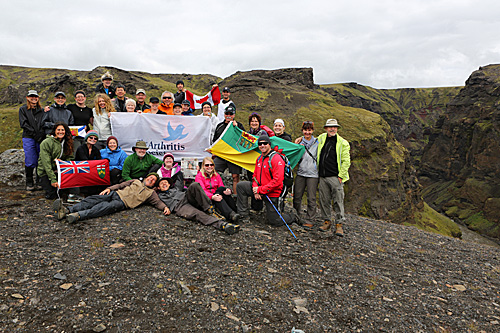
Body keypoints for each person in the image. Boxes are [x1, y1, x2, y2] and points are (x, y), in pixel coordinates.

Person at [52, 173, 169, 224]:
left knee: (103, 208)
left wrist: (165, 208)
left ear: (154, 184)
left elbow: (157, 202)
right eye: (150, 177)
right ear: (147, 177)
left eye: (154, 180)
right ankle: (66, 211)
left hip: (122, 203)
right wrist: (109, 189)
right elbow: (121, 185)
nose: (151, 180)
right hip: (115, 194)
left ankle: (78, 215)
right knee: (93, 199)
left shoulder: (151, 193)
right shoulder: (136, 181)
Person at [236, 134, 297, 226]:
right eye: (260, 144)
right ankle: (243, 215)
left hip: (273, 193)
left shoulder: (276, 158)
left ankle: (293, 217)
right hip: (261, 190)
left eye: (265, 143)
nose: (262, 145)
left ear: (269, 144)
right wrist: (256, 190)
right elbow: (255, 177)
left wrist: (260, 190)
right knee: (241, 186)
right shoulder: (259, 158)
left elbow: (277, 181)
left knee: (275, 221)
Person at [157, 178, 240, 235]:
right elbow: (156, 202)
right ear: (158, 187)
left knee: (194, 185)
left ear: (169, 184)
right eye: (161, 183)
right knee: (197, 213)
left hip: (186, 197)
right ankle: (223, 225)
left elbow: (179, 177)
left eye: (166, 182)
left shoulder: (176, 188)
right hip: (180, 206)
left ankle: (210, 209)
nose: (164, 184)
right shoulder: (159, 195)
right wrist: (165, 208)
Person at [317, 119, 351, 236]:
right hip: (322, 176)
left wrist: (341, 176)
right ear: (326, 128)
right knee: (324, 200)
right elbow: (310, 141)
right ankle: (327, 221)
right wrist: (300, 139)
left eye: (335, 127)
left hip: (335, 177)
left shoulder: (343, 143)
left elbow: (346, 161)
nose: (332, 129)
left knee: (338, 201)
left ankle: (339, 224)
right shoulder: (321, 138)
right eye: (330, 127)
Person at [195, 157, 240, 223]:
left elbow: (221, 186)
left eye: (211, 165)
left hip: (216, 194)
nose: (209, 167)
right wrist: (212, 196)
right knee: (218, 197)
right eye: (207, 165)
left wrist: (228, 190)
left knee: (223, 190)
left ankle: (235, 211)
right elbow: (202, 190)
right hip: (206, 198)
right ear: (203, 166)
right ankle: (231, 215)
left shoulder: (216, 175)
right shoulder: (199, 176)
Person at [212, 105, 245, 194]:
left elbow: (243, 139)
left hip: (234, 156)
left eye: (231, 114)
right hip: (221, 155)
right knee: (213, 171)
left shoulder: (239, 125)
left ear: (234, 115)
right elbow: (214, 140)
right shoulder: (219, 126)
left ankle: (235, 197)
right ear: (224, 114)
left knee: (235, 177)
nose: (229, 115)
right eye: (227, 113)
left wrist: (236, 127)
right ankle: (216, 194)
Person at [37, 122, 74, 199]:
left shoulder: (68, 142)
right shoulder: (46, 143)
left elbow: (70, 158)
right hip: (46, 172)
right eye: (58, 130)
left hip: (60, 170)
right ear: (54, 131)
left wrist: (62, 162)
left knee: (64, 194)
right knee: (52, 196)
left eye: (63, 130)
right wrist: (53, 179)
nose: (60, 132)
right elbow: (46, 163)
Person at [293, 121, 319, 230]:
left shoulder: (318, 142)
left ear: (312, 131)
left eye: (309, 130)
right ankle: (296, 216)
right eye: (305, 130)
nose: (307, 132)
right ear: (302, 130)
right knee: (297, 196)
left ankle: (310, 220)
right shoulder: (299, 143)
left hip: (313, 174)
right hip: (301, 172)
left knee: (311, 198)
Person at [19, 90, 45, 191]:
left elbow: (44, 122)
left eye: (35, 96)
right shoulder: (23, 109)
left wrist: (41, 134)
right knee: (30, 159)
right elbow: (23, 124)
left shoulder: (42, 110)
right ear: (27, 98)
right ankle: (29, 181)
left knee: (40, 159)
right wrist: (34, 133)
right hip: (28, 137)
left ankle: (39, 181)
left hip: (40, 137)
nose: (33, 98)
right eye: (31, 96)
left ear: (38, 98)